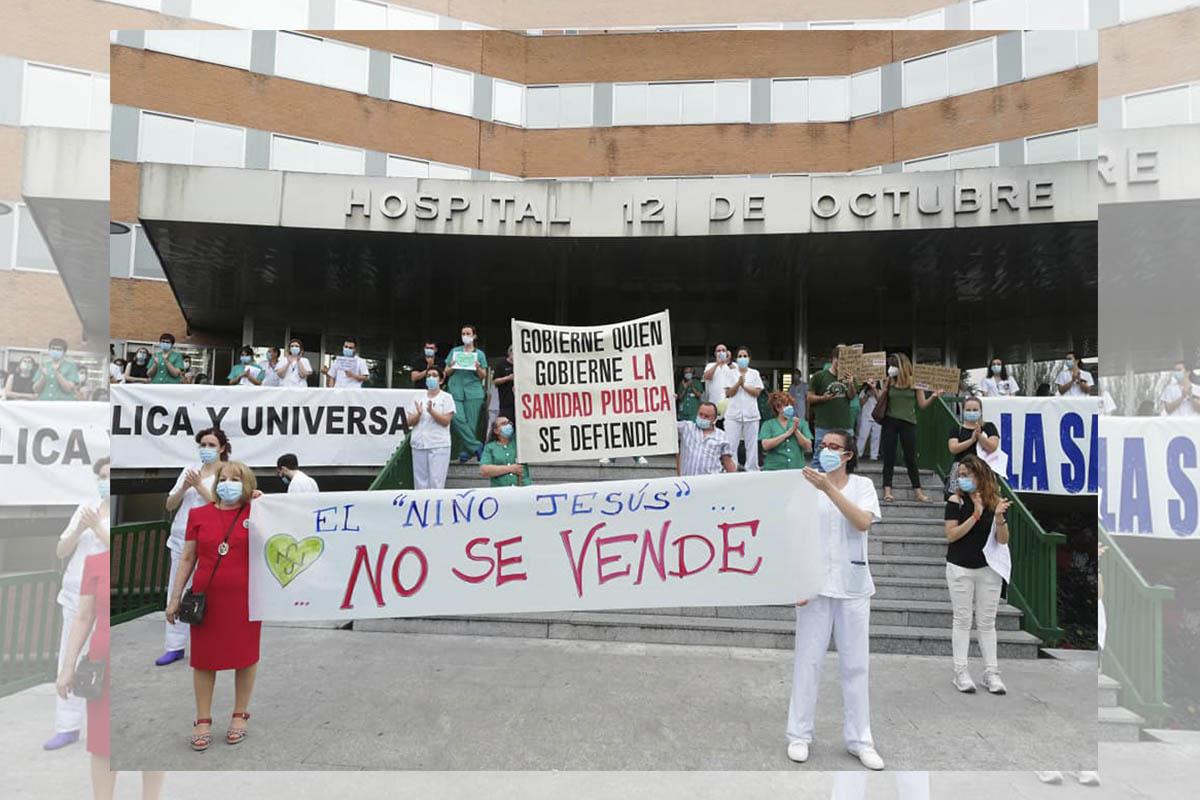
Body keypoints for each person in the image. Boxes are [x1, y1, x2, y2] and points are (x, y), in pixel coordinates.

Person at [787, 430, 885, 771]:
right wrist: (798, 581)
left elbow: (861, 523)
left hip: (854, 585)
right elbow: (796, 535)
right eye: (822, 446)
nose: (826, 451)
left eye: (833, 447)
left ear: (848, 454)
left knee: (856, 665)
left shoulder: (863, 487)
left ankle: (860, 739)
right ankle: (799, 734)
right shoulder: (803, 487)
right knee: (807, 661)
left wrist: (827, 488)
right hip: (815, 586)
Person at [165, 461, 262, 751]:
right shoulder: (198, 514)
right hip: (205, 600)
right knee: (204, 660)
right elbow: (187, 559)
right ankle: (203, 719)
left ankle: (239, 714)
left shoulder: (256, 513)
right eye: (223, 478)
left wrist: (263, 501)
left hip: (245, 600)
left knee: (245, 657)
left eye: (236, 479)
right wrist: (174, 598)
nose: (228, 483)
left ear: (246, 484)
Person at [57, 550, 167, 800]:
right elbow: (83, 617)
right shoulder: (93, 562)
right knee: (102, 742)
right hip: (102, 663)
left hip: (142, 656)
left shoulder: (147, 562)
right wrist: (67, 666)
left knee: (148, 737)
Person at [44, 459, 111, 751]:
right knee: (68, 657)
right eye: (101, 476)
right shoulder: (85, 508)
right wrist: (79, 529)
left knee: (103, 659)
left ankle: (105, 721)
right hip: (75, 593)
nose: (104, 481)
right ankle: (67, 726)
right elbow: (61, 550)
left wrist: (97, 527)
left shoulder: (117, 511)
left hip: (105, 596)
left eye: (110, 476)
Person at [157, 428, 229, 666]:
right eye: (202, 445)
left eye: (211, 445)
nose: (206, 449)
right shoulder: (189, 471)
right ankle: (174, 646)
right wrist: (185, 487)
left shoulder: (226, 472)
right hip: (181, 537)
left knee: (212, 591)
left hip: (210, 540)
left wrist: (199, 486)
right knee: (176, 589)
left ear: (221, 448)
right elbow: (169, 504)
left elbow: (223, 504)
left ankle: (215, 642)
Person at [944, 454, 1012, 695]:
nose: (962, 479)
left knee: (987, 622)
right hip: (960, 567)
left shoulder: (995, 502)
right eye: (960, 475)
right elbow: (951, 535)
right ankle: (960, 671)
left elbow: (1002, 540)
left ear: (980, 475)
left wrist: (999, 518)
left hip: (988, 569)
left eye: (967, 475)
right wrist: (975, 515)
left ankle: (991, 673)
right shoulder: (955, 501)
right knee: (962, 619)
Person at [878, 353, 940, 504]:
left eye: (893, 366)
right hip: (890, 421)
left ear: (902, 367)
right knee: (889, 457)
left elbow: (922, 405)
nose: (890, 369)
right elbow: (881, 400)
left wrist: (933, 396)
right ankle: (887, 490)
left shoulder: (916, 383)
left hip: (909, 422)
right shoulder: (889, 381)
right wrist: (880, 389)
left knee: (910, 457)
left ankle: (918, 492)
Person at [444, 324, 487, 463]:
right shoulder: (455, 351)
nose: (465, 336)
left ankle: (465, 452)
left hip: (474, 391)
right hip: (455, 389)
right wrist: (451, 365)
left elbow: (483, 376)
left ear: (474, 336)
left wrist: (478, 368)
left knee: (471, 423)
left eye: (468, 333)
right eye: (463, 333)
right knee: (458, 418)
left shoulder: (479, 354)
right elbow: (446, 372)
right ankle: (476, 446)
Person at [408, 368, 456, 489]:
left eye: (434, 375)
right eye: (428, 375)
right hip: (419, 443)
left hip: (438, 444)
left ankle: (435, 507)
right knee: (420, 483)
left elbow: (446, 421)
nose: (430, 378)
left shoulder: (446, 397)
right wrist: (418, 414)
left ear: (441, 380)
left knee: (436, 482)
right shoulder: (418, 397)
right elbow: (408, 421)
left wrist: (431, 411)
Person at [808, 347, 853, 470]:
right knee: (819, 457)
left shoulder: (849, 377)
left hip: (845, 424)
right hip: (824, 425)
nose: (842, 364)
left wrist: (850, 383)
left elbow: (851, 396)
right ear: (834, 359)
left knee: (847, 457)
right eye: (840, 360)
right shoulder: (819, 376)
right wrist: (823, 398)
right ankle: (816, 486)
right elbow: (809, 398)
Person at [946, 395, 1001, 493]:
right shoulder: (956, 429)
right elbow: (953, 448)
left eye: (975, 410)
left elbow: (993, 446)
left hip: (982, 469)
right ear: (963, 411)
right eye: (968, 410)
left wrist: (980, 436)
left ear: (980, 411)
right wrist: (971, 440)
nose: (972, 412)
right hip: (961, 469)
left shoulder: (989, 427)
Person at [723, 346, 765, 471]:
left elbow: (757, 392)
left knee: (751, 445)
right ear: (736, 358)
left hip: (751, 414)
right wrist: (738, 383)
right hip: (733, 414)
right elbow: (729, 393)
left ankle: (752, 468)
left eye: (745, 356)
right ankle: (732, 468)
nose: (742, 358)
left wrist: (744, 385)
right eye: (740, 356)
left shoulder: (754, 373)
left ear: (749, 358)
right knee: (731, 443)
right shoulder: (730, 373)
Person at [676, 401, 736, 476]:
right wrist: (671, 401)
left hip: (710, 483)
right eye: (700, 414)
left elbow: (728, 462)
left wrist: (735, 481)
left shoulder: (722, 436)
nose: (702, 418)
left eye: (706, 416)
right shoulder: (686, 427)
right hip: (687, 481)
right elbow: (667, 423)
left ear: (714, 419)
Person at [759, 390, 812, 471]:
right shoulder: (768, 424)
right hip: (774, 468)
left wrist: (796, 430)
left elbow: (808, 447)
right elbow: (765, 445)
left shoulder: (802, 423)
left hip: (796, 468)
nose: (790, 407)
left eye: (791, 405)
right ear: (777, 407)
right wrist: (786, 435)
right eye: (786, 405)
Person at [480, 416, 532, 487]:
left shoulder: (518, 441)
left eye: (509, 423)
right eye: (504, 424)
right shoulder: (490, 447)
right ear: (496, 430)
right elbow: (484, 470)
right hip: (501, 492)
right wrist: (511, 468)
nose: (508, 425)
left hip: (523, 488)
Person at [702, 343, 739, 419]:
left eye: (723, 350)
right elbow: (707, 377)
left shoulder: (733, 365)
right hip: (713, 405)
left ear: (727, 353)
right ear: (715, 353)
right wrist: (717, 364)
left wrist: (728, 361)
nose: (721, 352)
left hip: (730, 405)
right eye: (718, 351)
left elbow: (738, 377)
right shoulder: (710, 365)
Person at [856, 379, 883, 461]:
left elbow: (880, 401)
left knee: (876, 437)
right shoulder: (864, 391)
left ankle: (874, 456)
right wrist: (867, 395)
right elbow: (860, 403)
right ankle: (858, 454)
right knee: (862, 436)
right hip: (866, 416)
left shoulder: (880, 391)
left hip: (877, 417)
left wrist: (874, 390)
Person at [493, 344, 516, 425]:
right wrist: (507, 378)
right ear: (509, 353)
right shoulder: (501, 364)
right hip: (506, 402)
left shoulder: (521, 364)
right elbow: (495, 381)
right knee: (506, 425)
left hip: (521, 402)